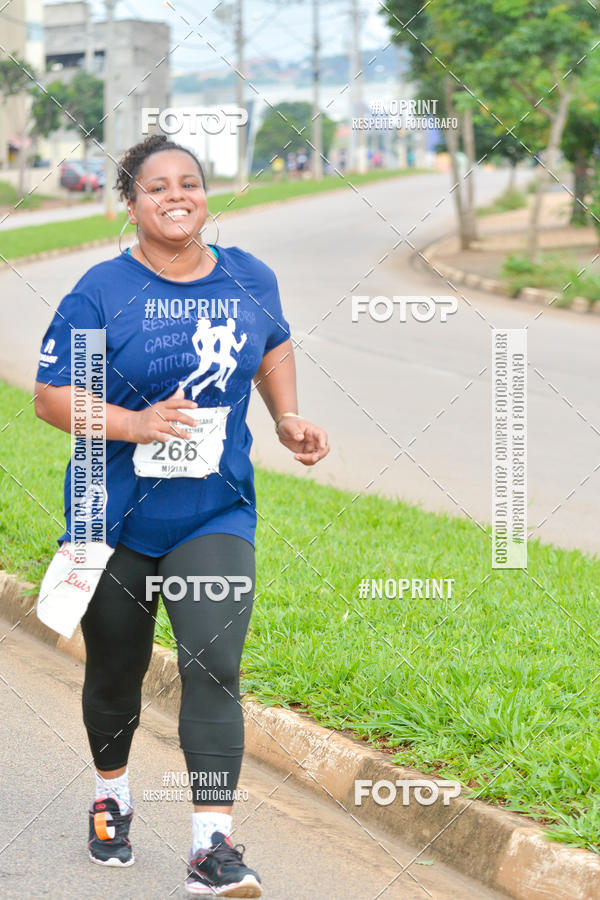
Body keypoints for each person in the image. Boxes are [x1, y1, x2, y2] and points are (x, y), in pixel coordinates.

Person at [34, 133, 330, 897]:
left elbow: (273, 346)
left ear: (205, 195)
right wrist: (136, 425)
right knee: (116, 671)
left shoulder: (245, 277)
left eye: (189, 183)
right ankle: (112, 796)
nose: (176, 195)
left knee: (214, 664)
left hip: (213, 513)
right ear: (129, 204)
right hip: (116, 516)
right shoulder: (101, 292)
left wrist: (288, 416)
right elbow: (52, 398)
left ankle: (213, 848)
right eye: (157, 186)